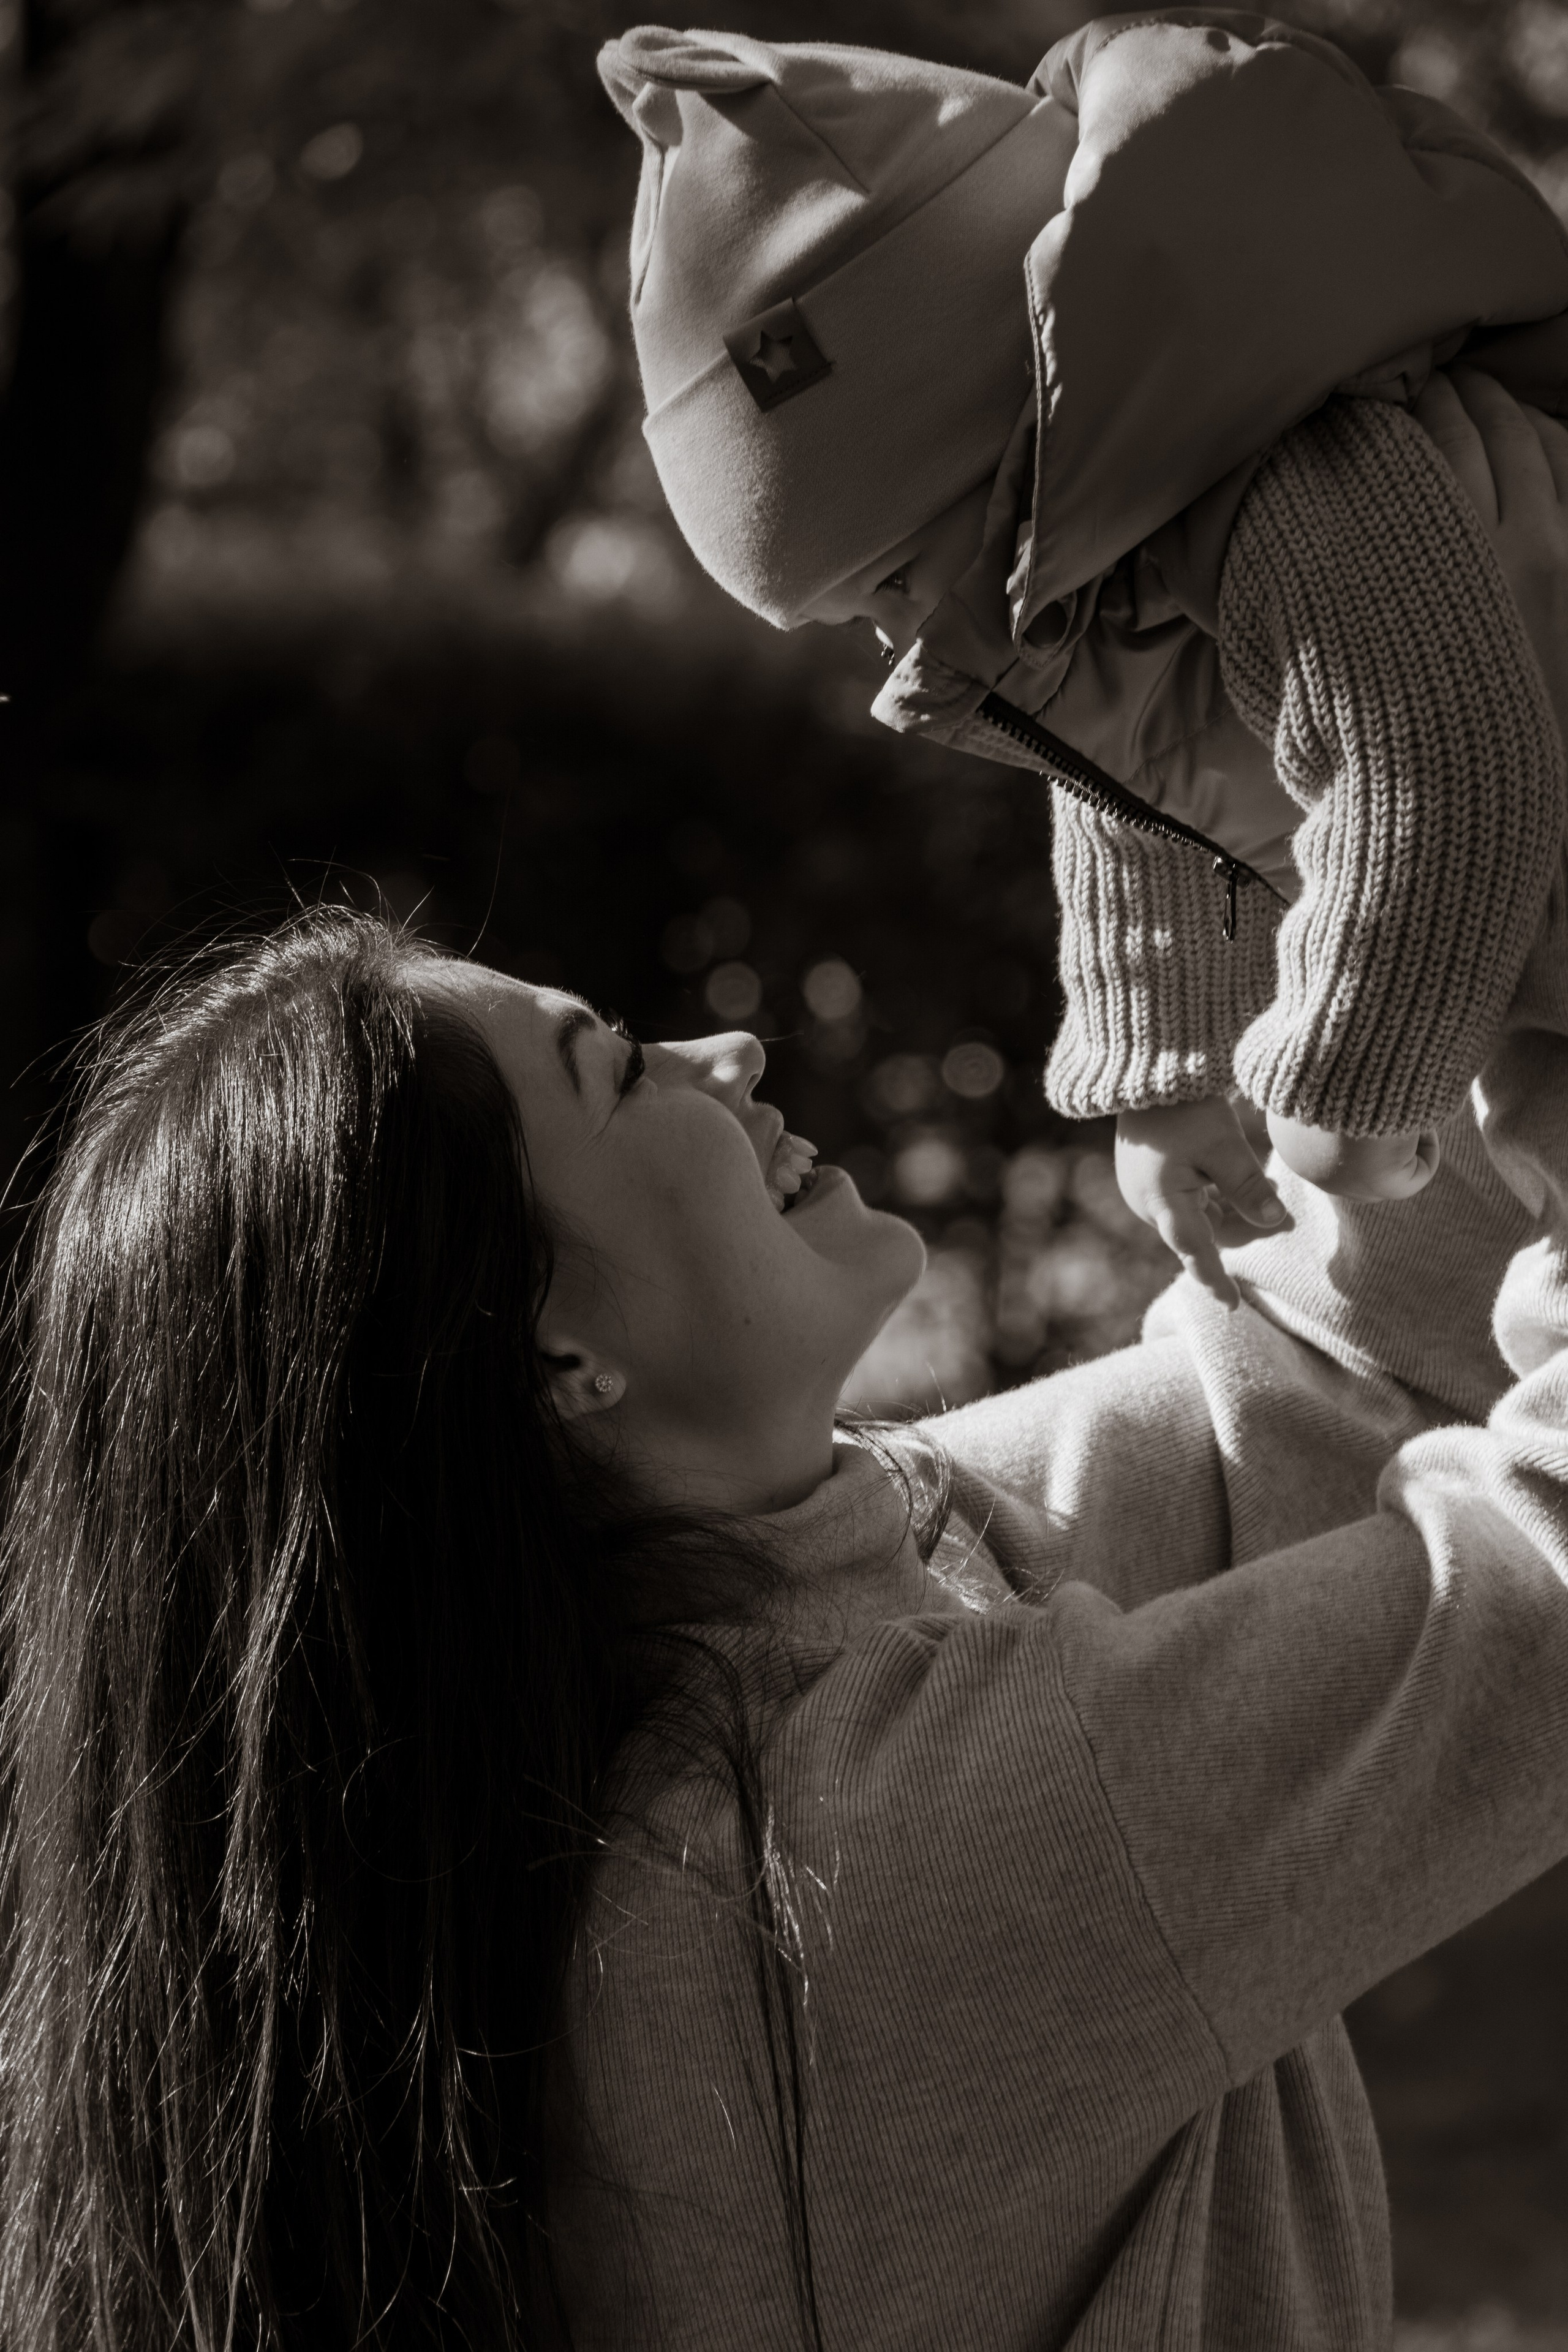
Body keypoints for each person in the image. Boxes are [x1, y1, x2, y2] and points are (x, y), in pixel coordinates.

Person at [0, 398, 1565, 2352]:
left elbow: (1320, 1381)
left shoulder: (784, 1630)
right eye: (621, 1071)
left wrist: (1430, 932)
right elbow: (1538, 1598)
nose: (724, 1061)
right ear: (547, 1352)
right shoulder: (853, 1874)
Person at [596, 11, 1568, 1301]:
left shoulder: (1310, 488)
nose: (902, 639)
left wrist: (1346, 1075)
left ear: (1005, 442)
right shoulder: (1099, 577)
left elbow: (1439, 773)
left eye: (889, 580)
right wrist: (1161, 1073)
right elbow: (1134, 791)